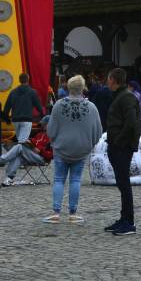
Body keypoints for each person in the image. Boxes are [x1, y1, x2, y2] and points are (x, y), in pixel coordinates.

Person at [44, 75, 101, 224]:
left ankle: (56, 212)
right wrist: (90, 144)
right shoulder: (92, 107)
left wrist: (54, 141)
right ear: (83, 88)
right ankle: (73, 214)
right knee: (75, 180)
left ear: (68, 88)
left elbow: (51, 130)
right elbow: (98, 131)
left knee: (58, 180)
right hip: (81, 149)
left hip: (61, 148)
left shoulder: (58, 105)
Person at [104, 67, 141, 236]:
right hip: (117, 145)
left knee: (124, 184)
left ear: (114, 80)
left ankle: (129, 222)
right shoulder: (120, 96)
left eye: (108, 79)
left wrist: (119, 140)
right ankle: (123, 218)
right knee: (121, 183)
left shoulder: (126, 97)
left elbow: (132, 123)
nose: (106, 81)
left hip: (122, 147)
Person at [4, 73, 45, 142]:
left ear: (19, 80)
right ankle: (15, 152)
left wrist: (6, 118)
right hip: (27, 119)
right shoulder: (32, 92)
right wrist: (42, 115)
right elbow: (38, 106)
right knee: (22, 141)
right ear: (28, 80)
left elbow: (7, 107)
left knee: (20, 139)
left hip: (15, 120)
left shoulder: (12, 92)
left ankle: (18, 152)